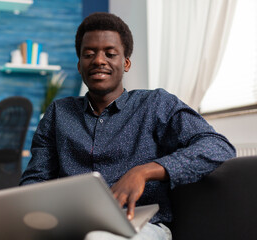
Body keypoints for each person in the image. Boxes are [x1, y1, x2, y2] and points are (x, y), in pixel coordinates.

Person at [20, 12, 236, 239]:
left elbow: (218, 147)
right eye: (89, 54)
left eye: (110, 53)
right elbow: (35, 179)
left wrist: (144, 171)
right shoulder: (58, 113)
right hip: (72, 223)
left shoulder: (155, 104)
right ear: (79, 65)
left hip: (139, 224)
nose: (99, 60)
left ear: (126, 63)